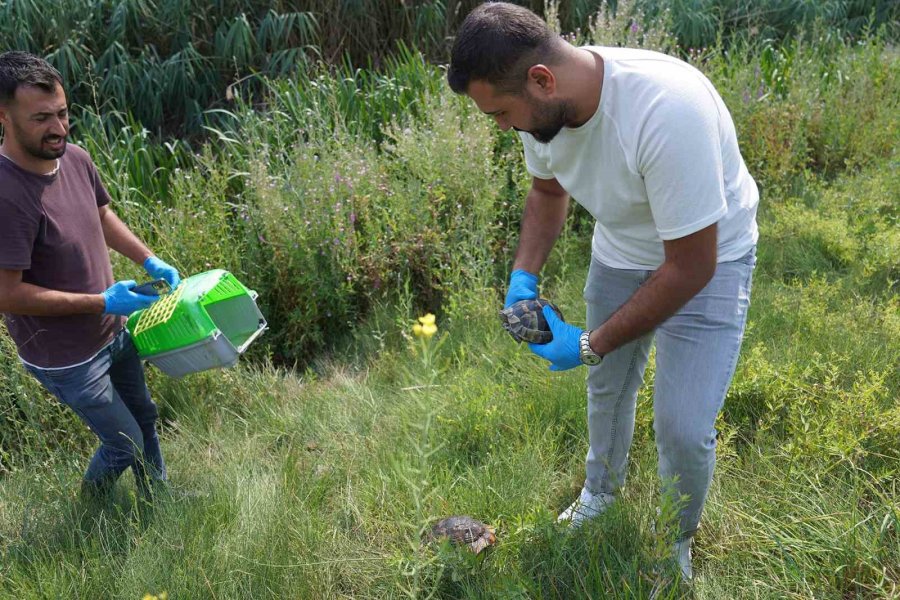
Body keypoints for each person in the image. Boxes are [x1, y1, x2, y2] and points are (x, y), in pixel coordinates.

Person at [449, 3, 759, 580]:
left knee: (684, 428)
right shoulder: (542, 111)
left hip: (710, 255)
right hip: (623, 249)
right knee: (607, 390)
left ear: (541, 80)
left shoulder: (667, 110)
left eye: (500, 112)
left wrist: (589, 342)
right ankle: (600, 493)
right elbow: (547, 193)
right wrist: (524, 277)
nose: (501, 126)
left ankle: (675, 541)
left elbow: (689, 267)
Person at [0, 51, 181, 501]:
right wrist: (102, 301)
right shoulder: (6, 196)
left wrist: (148, 259)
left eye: (62, 112)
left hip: (113, 331)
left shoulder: (74, 157)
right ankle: (92, 515)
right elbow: (7, 294)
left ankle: (158, 503)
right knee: (124, 444)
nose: (59, 128)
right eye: (41, 118)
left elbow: (101, 214)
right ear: (3, 116)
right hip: (68, 357)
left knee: (144, 417)